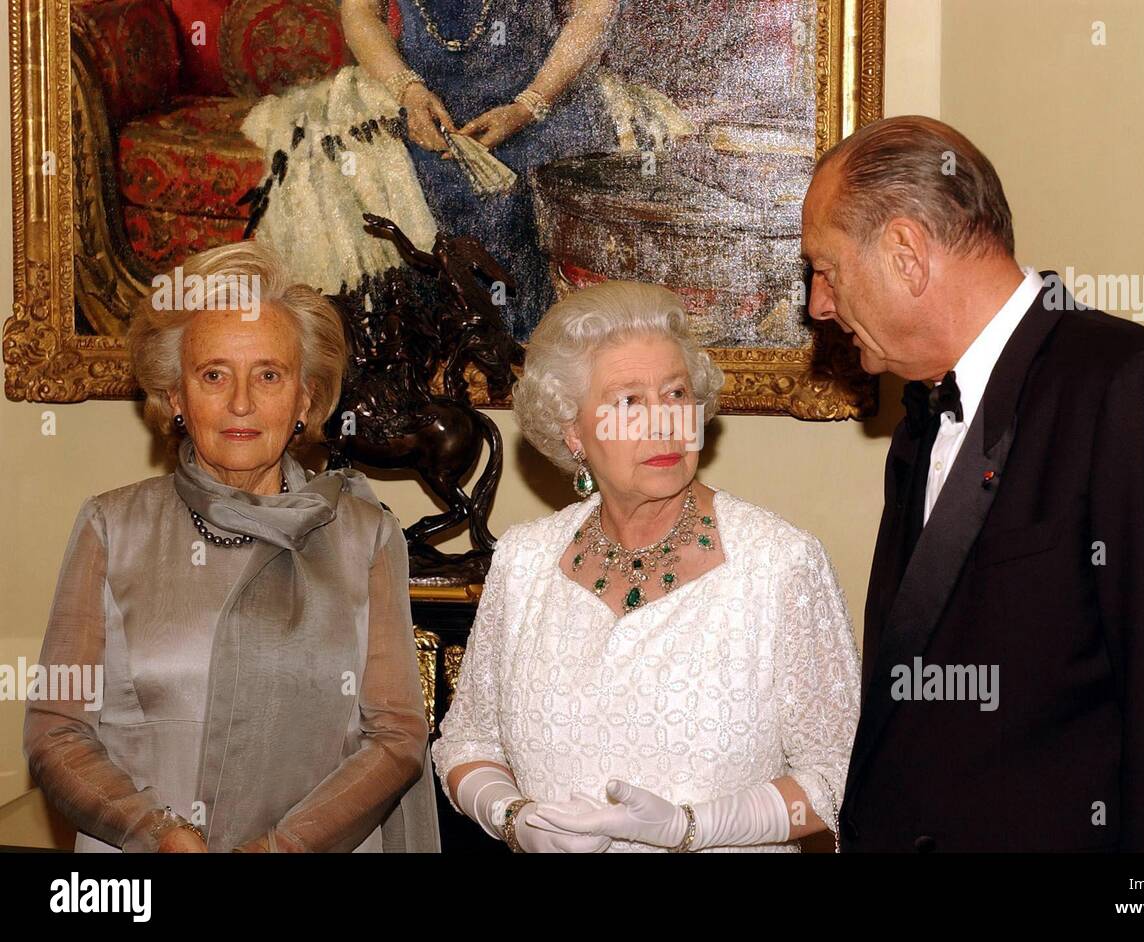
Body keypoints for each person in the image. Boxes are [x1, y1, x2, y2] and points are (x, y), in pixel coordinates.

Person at [803, 115, 1144, 852]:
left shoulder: (1127, 388)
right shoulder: (920, 418)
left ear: (905, 253)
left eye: (824, 268)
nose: (818, 305)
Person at [23, 241, 439, 852]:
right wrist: (156, 831)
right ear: (174, 398)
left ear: (304, 398)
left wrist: (284, 847)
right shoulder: (112, 526)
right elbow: (58, 730)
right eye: (213, 374)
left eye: (268, 375)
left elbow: (398, 734)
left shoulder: (364, 534)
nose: (241, 403)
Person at [429, 280, 860, 852]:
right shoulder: (523, 560)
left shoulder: (778, 565)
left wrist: (692, 828)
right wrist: (514, 818)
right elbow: (466, 741)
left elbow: (838, 777)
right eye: (629, 401)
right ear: (573, 431)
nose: (665, 424)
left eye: (677, 394)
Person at [340, 0, 620, 339]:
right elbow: (361, 11)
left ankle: (533, 347)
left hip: (542, 97)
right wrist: (408, 91)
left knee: (521, 204)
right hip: (422, 106)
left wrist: (529, 105)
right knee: (408, 208)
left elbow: (594, 11)